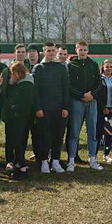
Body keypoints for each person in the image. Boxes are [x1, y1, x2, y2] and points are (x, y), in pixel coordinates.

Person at [31, 42, 70, 173]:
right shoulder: (38, 68)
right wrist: (38, 108)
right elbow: (35, 91)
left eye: (53, 50)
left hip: (59, 109)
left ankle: (55, 161)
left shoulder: (61, 68)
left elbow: (65, 88)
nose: (51, 53)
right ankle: (43, 162)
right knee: (44, 136)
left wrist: (65, 107)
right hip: (44, 110)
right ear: (44, 52)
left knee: (58, 136)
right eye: (48, 51)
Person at [66, 40, 104, 171]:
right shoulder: (71, 65)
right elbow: (69, 85)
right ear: (76, 50)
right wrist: (81, 95)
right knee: (74, 132)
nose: (82, 52)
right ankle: (71, 161)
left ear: (88, 51)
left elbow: (99, 83)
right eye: (80, 49)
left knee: (92, 132)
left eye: (84, 50)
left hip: (91, 102)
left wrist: (91, 95)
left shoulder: (93, 64)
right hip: (77, 102)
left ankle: (92, 159)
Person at [2, 61, 36, 179]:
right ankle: (15, 161)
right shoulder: (16, 84)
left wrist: (14, 108)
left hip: (20, 118)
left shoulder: (27, 84)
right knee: (13, 140)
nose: (12, 76)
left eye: (13, 73)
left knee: (18, 141)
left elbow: (24, 102)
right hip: (14, 117)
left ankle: (21, 163)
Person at [1, 44, 28, 170]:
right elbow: (4, 91)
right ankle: (10, 160)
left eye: (23, 51)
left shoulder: (28, 69)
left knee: (22, 136)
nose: (21, 54)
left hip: (24, 111)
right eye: (18, 52)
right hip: (10, 111)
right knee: (10, 136)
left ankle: (20, 159)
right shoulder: (7, 70)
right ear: (14, 53)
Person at [95, 59, 112, 164]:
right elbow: (96, 94)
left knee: (109, 133)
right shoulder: (98, 79)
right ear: (102, 67)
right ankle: (94, 155)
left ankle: (106, 154)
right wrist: (103, 107)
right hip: (100, 109)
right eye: (107, 67)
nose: (109, 69)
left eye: (111, 67)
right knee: (97, 132)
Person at [58, 46, 82, 165]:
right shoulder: (54, 67)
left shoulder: (71, 67)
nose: (62, 56)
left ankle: (73, 154)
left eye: (64, 54)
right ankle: (55, 157)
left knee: (73, 130)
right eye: (60, 54)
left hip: (72, 102)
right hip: (59, 103)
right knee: (58, 132)